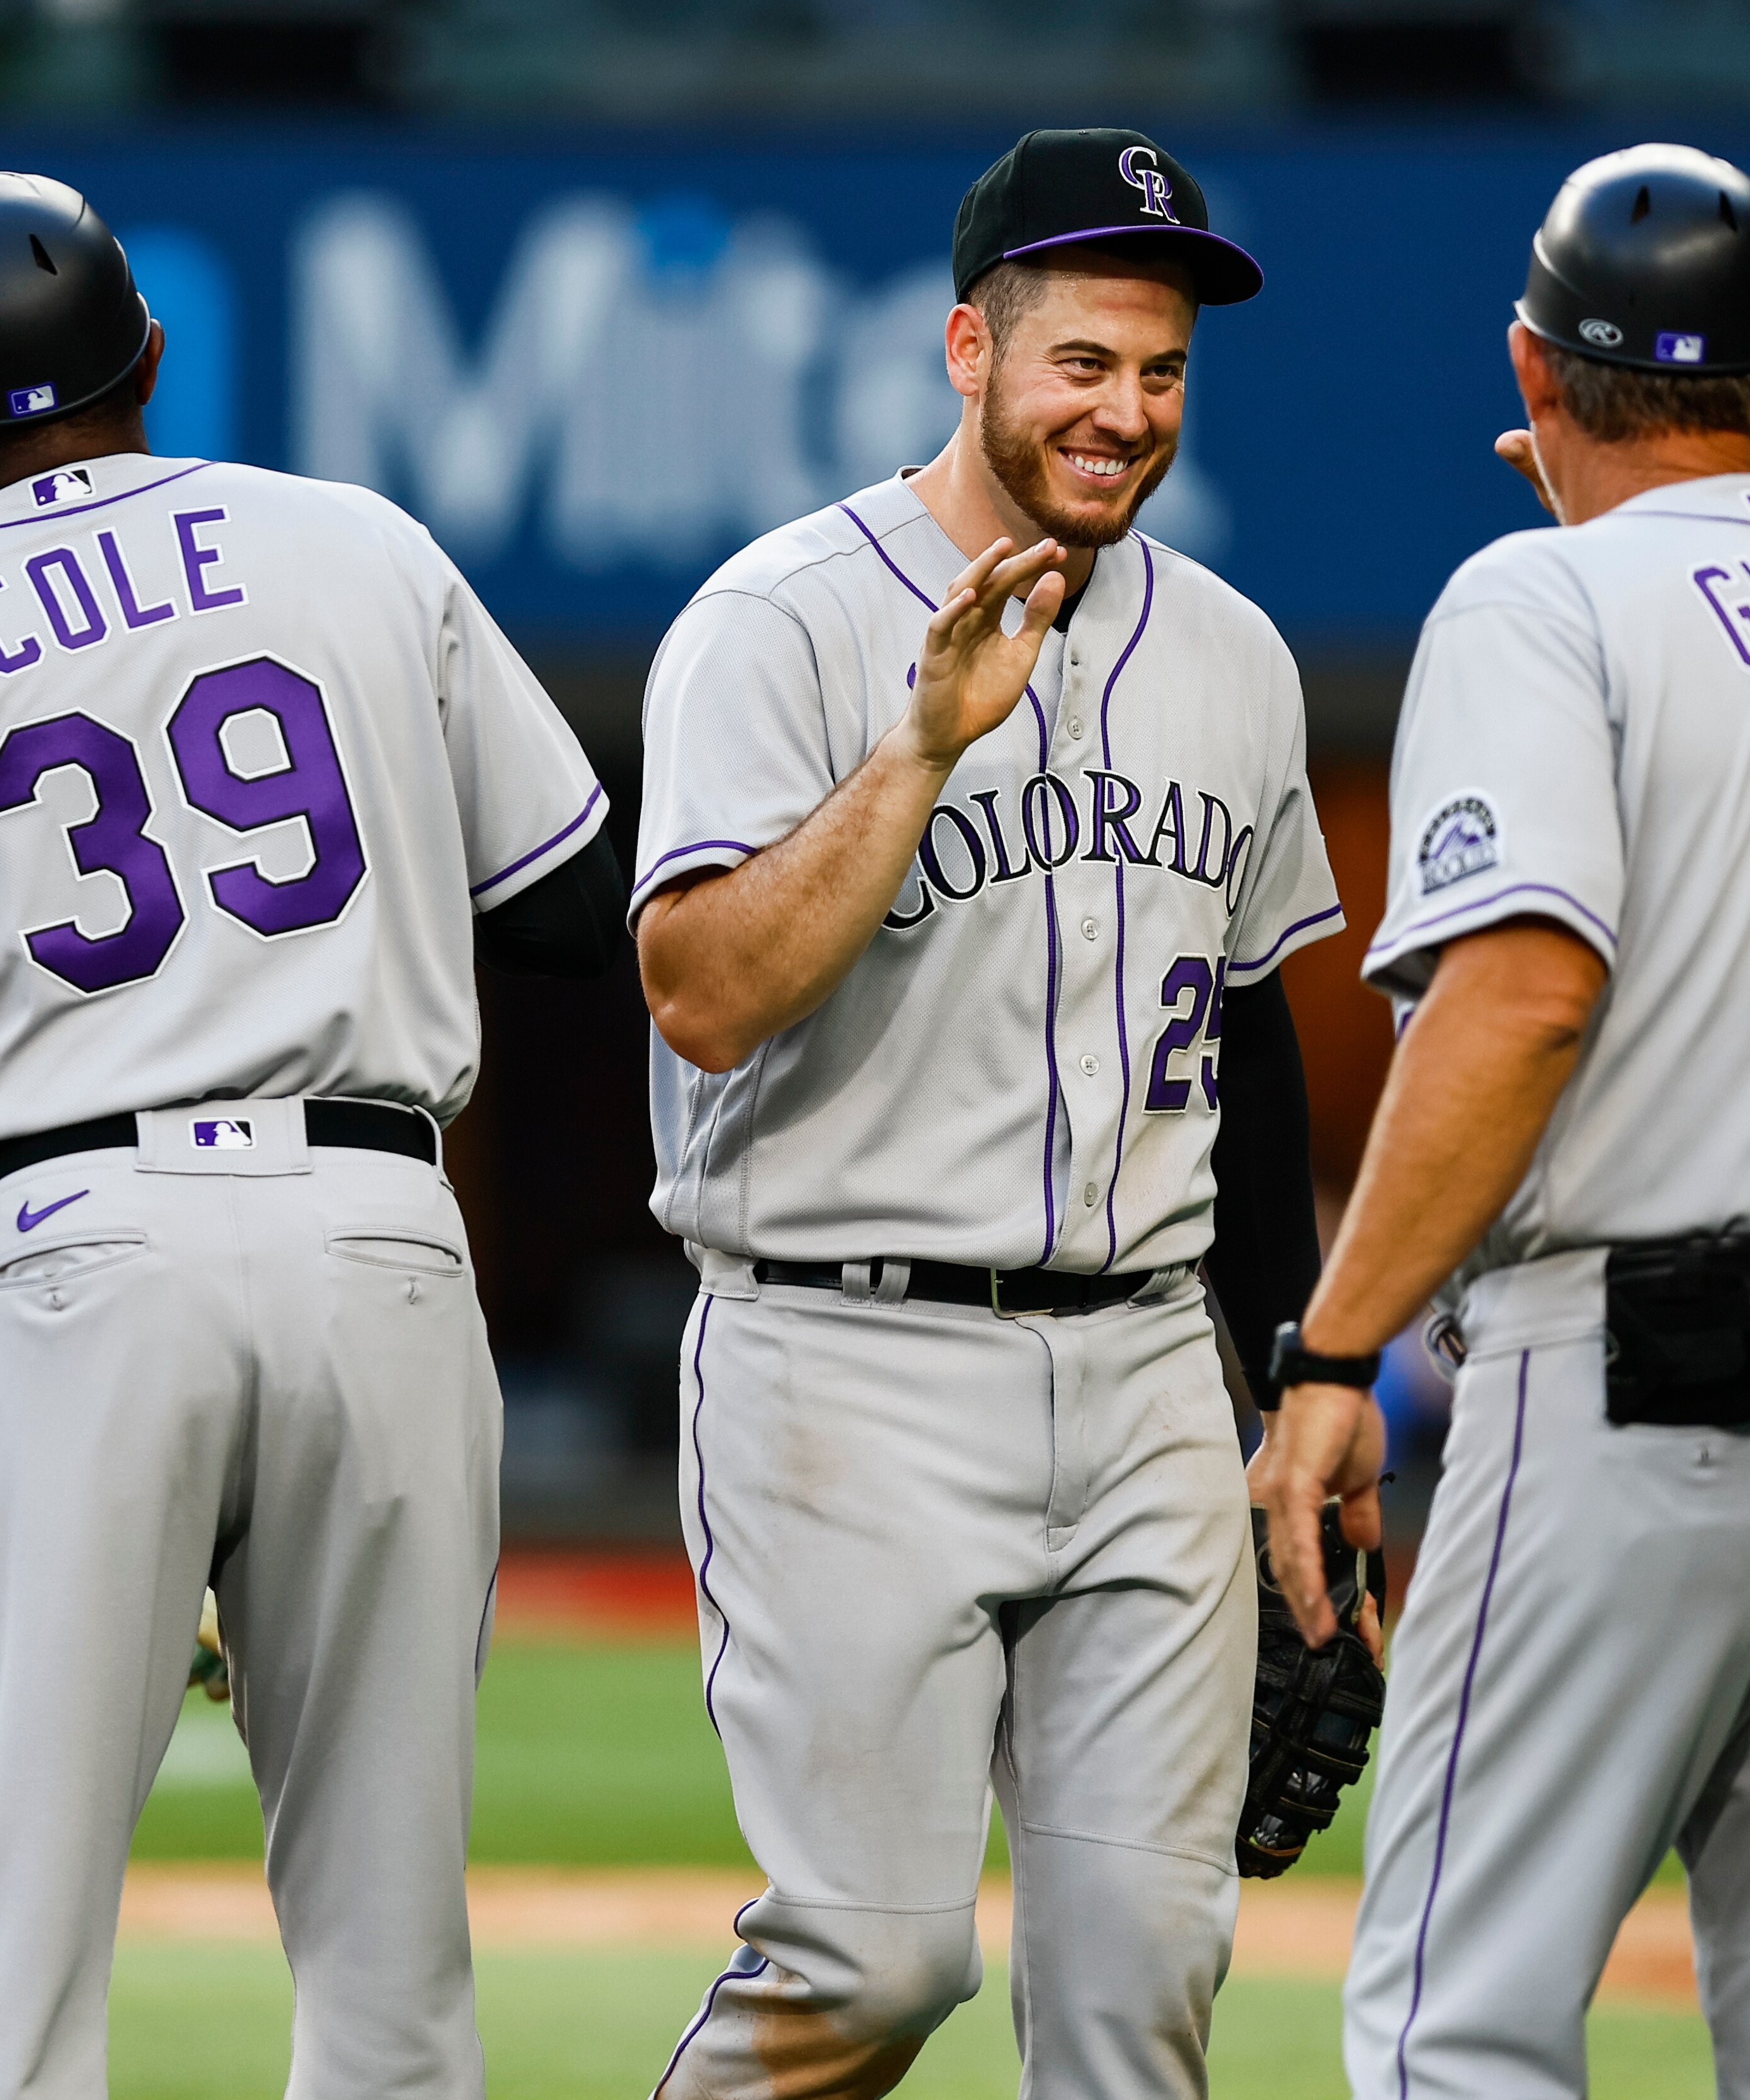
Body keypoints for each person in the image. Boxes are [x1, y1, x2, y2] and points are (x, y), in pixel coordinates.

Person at [0, 171, 623, 2098]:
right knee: (393, 1965)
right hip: (380, 1234)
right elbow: (585, 910)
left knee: (3, 1969)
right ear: (149, 357)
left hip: (76, 1249)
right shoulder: (359, 548)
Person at [1249, 144, 1750, 2100]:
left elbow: (1523, 997)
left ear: (1531, 369)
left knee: (1460, 2023)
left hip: (1646, 1385)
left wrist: (1338, 1344)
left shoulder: (1538, 598)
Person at [629, 126, 1338, 2098]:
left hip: (1143, 1376)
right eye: (1084, 362)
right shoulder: (777, 623)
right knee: (868, 1962)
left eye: (1165, 371)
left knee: (1144, 1991)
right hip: (844, 1352)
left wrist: (1292, 1377)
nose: (1128, 410)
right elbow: (699, 992)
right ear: (969, 348)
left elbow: (1259, 1030)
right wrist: (923, 747)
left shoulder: (1235, 651)